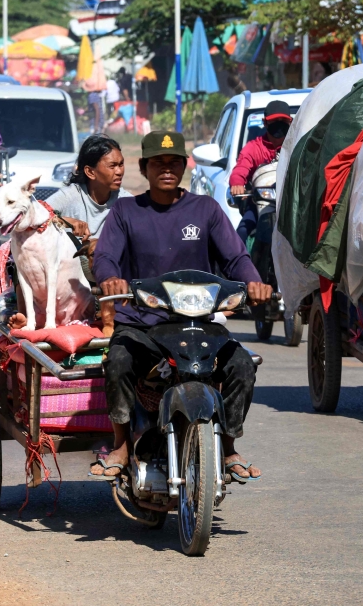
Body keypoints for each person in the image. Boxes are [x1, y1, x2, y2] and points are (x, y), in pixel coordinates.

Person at [90, 131, 273, 481]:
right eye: (158, 163)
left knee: (241, 366)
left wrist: (253, 282)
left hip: (198, 324)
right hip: (142, 324)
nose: (167, 169)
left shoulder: (206, 210)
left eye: (174, 162)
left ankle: (230, 446)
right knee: (118, 360)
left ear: (185, 167)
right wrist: (110, 278)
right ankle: (120, 444)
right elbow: (106, 256)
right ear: (144, 168)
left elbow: (235, 257)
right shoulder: (126, 211)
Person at [229, 101, 293, 242]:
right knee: (241, 233)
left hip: (293, 203)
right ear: (265, 123)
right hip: (259, 203)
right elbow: (240, 168)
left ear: (291, 122)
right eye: (274, 121)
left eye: (283, 121)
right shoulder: (253, 148)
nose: (279, 124)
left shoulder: (297, 145)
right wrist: (237, 183)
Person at [46, 134, 132, 240]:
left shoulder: (125, 201)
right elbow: (35, 216)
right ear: (90, 172)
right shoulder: (70, 196)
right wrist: (65, 221)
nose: (119, 171)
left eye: (121, 164)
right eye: (112, 166)